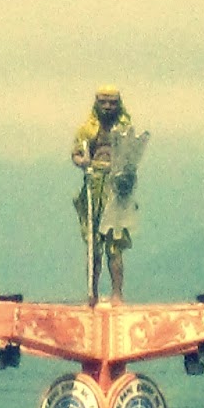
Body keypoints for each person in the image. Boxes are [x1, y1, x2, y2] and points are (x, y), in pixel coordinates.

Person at [71, 85, 142, 305]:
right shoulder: (87, 130)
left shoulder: (124, 129)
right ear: (97, 103)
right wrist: (82, 161)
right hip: (94, 185)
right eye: (103, 102)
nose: (108, 107)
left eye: (112, 102)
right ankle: (91, 292)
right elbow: (76, 153)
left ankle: (116, 293)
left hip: (116, 187)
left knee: (115, 243)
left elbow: (132, 156)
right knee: (93, 245)